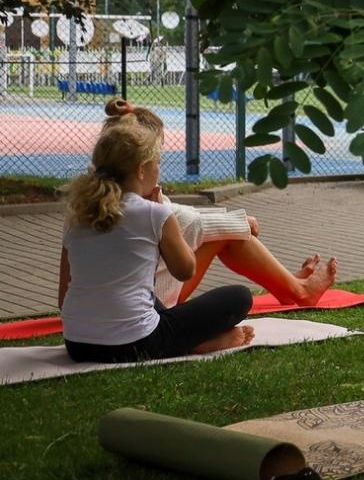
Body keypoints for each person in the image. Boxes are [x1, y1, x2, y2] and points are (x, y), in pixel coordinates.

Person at [100, 100, 336, 306]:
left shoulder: (95, 196)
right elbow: (184, 223)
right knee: (225, 235)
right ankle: (298, 291)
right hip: (148, 303)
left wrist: (231, 220)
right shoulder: (145, 206)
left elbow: (176, 214)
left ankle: (287, 285)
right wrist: (238, 223)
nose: (160, 166)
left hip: (113, 304)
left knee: (224, 229)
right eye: (157, 158)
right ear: (141, 166)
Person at [58, 123, 256, 362]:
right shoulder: (154, 213)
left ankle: (188, 339)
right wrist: (165, 223)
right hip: (135, 343)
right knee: (240, 296)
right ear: (141, 170)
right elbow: (186, 270)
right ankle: (195, 343)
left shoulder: (76, 216)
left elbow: (63, 297)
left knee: (142, 295)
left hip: (77, 344)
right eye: (158, 163)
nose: (159, 170)